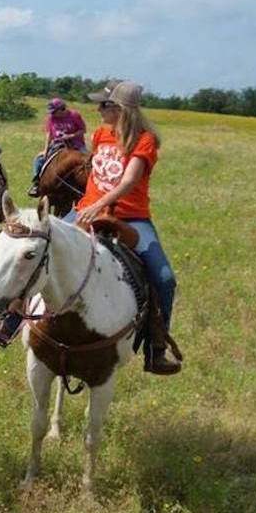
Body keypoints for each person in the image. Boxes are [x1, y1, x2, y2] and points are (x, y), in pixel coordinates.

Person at [77, 80, 181, 375]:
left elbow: (129, 182)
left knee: (164, 278)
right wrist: (88, 204)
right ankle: (13, 319)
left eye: (104, 105)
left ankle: (155, 348)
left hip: (131, 217)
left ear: (120, 109)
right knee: (39, 244)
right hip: (86, 210)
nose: (97, 109)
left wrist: (100, 205)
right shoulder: (100, 134)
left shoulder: (144, 140)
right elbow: (94, 172)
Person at [28, 97, 87, 197]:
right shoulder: (51, 118)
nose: (52, 114)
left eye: (54, 111)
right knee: (38, 160)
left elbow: (83, 130)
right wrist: (45, 150)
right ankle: (36, 183)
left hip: (76, 144)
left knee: (87, 162)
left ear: (62, 109)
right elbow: (49, 134)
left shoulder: (74, 115)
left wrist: (71, 136)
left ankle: (90, 188)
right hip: (57, 144)